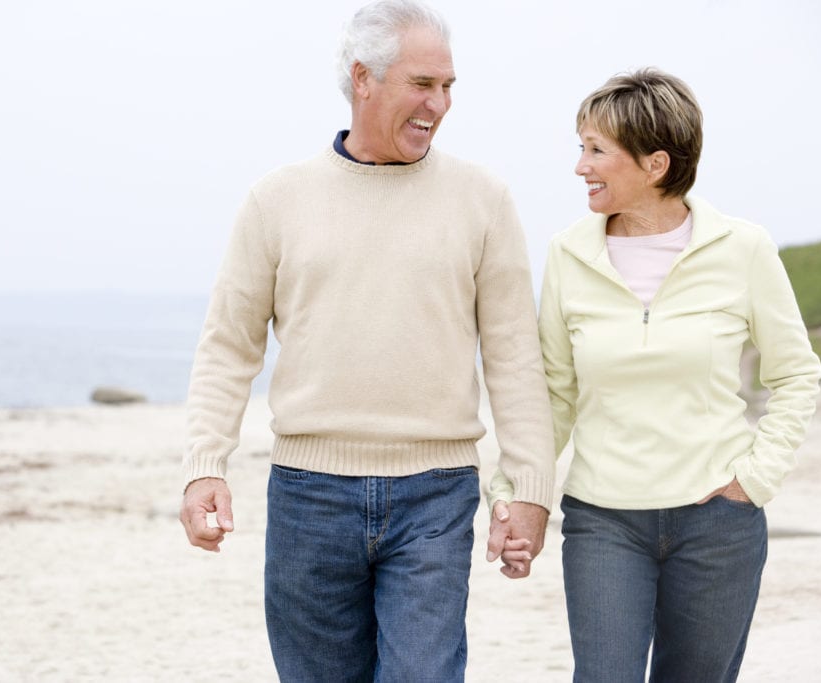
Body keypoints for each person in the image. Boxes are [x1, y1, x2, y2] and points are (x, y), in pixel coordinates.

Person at [179, 1, 554, 680]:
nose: (438, 105)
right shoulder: (276, 200)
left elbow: (513, 355)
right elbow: (229, 346)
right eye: (422, 84)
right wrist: (205, 464)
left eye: (448, 88)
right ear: (363, 78)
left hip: (437, 494)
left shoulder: (484, 199)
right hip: (308, 495)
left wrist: (529, 487)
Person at [489, 67, 821, 681]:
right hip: (603, 521)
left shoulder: (743, 249)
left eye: (596, 150)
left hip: (718, 523)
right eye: (580, 147)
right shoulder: (569, 254)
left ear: (655, 164)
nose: (580, 166)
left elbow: (797, 374)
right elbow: (554, 395)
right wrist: (513, 492)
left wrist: (754, 478)